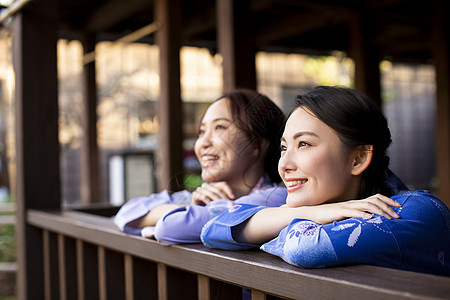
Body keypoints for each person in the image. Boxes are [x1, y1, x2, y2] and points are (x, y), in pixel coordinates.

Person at [201, 86, 450, 277]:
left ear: (358, 159)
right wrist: (321, 211)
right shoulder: (325, 203)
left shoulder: (415, 210)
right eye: (283, 147)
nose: (284, 164)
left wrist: (275, 222)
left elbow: (304, 247)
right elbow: (213, 229)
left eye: (304, 144)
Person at [114, 89, 288, 241]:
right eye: (202, 131)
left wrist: (192, 212)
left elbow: (171, 226)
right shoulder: (199, 197)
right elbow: (127, 213)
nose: (202, 143)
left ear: (257, 145)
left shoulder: (275, 199)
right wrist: (190, 207)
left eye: (219, 127)